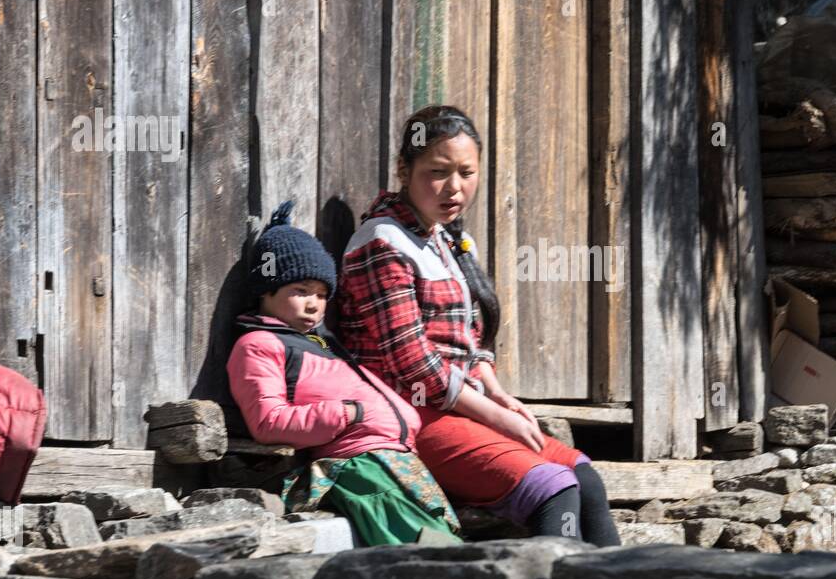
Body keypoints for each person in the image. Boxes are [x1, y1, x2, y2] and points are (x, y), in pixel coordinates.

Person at [337, 105, 621, 546]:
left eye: (467, 173)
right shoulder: (382, 242)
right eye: (438, 171)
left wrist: (499, 394)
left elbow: (466, 336)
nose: (455, 188)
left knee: (585, 478)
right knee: (554, 489)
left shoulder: (439, 237)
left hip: (456, 406)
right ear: (403, 169)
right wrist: (494, 416)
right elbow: (413, 365)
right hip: (410, 414)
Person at [227, 201, 461, 546]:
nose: (314, 304)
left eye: (322, 295)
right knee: (417, 544)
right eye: (300, 291)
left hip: (394, 461)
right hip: (355, 464)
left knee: (436, 532)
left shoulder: (323, 344)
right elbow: (268, 421)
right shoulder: (260, 345)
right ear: (266, 291)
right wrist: (347, 413)